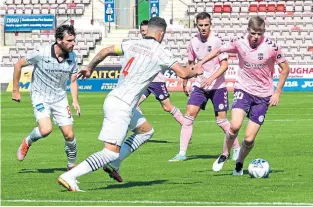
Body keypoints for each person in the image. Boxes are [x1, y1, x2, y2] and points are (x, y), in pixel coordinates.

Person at [57, 17, 203, 191]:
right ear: (161, 33)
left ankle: (114, 164)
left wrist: (90, 67)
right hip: (122, 106)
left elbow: (105, 50)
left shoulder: (131, 43)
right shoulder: (161, 51)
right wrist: (196, 71)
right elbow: (184, 74)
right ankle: (70, 176)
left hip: (117, 100)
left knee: (146, 131)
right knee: (109, 152)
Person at [194, 16, 289, 175]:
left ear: (264, 32)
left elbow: (285, 69)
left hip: (263, 96)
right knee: (234, 126)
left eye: (259, 33)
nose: (256, 37)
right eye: (253, 33)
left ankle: (239, 162)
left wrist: (277, 92)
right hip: (243, 90)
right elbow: (218, 50)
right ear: (248, 31)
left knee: (249, 139)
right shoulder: (238, 42)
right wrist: (200, 63)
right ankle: (224, 154)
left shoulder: (272, 47)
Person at [168, 12, 240, 163]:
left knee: (221, 121)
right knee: (188, 117)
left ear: (210, 24)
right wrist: (186, 80)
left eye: (206, 25)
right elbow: (190, 62)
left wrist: (211, 78)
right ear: (197, 25)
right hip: (199, 85)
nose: (203, 28)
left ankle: (236, 148)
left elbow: (224, 65)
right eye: (200, 25)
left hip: (217, 86)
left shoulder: (217, 41)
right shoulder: (193, 42)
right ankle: (182, 153)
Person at [12, 25, 80, 170]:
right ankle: (27, 141)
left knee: (69, 135)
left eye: (74, 40)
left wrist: (75, 100)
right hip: (40, 97)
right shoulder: (41, 53)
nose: (73, 43)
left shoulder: (73, 57)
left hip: (60, 98)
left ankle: (71, 166)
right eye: (70, 40)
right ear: (59, 40)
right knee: (45, 129)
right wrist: (15, 90)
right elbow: (18, 65)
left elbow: (73, 80)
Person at [137, 20, 184, 125]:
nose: (144, 33)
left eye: (145, 30)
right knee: (134, 104)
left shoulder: (156, 46)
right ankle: (141, 128)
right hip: (145, 81)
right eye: (142, 31)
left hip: (156, 81)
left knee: (167, 107)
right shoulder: (140, 45)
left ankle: (185, 125)